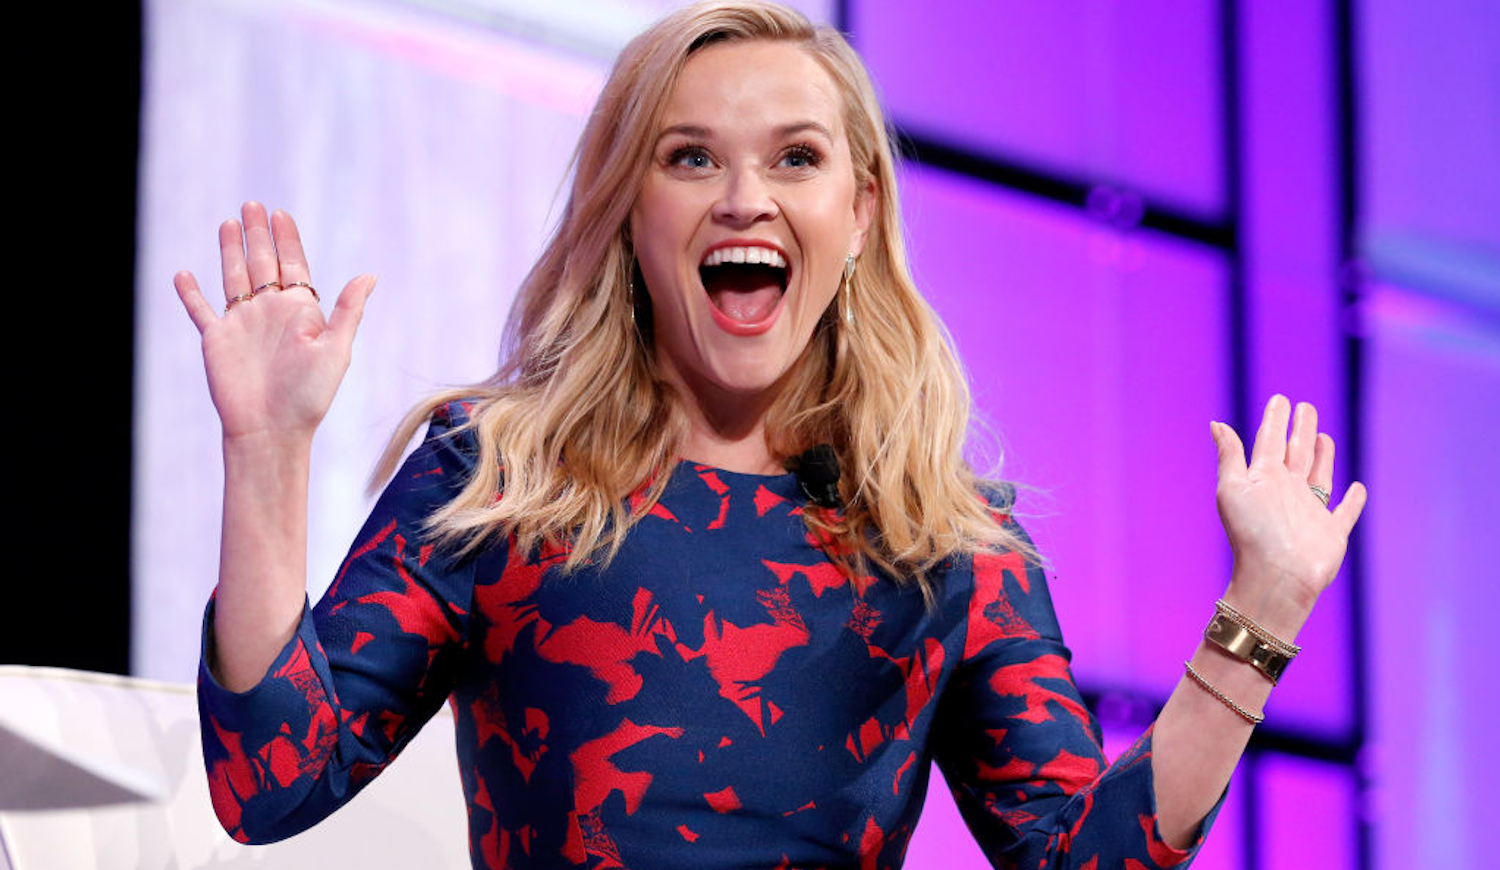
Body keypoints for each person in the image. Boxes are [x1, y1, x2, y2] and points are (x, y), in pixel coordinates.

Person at [174, 2, 1367, 868]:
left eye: (796, 158)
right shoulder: (499, 476)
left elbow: (1079, 860)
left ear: (860, 213)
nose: (745, 198)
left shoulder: (949, 543)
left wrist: (1259, 614)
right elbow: (266, 785)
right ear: (628, 213)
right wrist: (268, 451)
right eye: (691, 158)